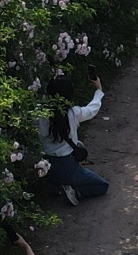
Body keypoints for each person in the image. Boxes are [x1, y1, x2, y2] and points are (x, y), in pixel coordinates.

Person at [39, 72, 108, 205]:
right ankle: (74, 190)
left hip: (44, 166)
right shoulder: (73, 113)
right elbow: (92, 109)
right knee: (101, 185)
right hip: (66, 166)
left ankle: (54, 186)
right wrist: (98, 90)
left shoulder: (38, 115)